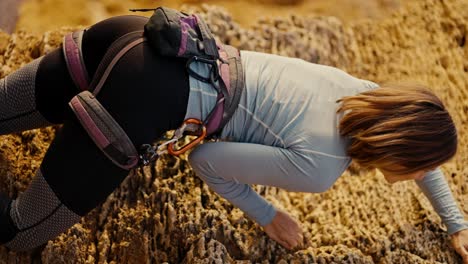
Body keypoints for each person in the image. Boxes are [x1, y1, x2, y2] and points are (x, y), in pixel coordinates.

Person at [0, 14, 466, 261]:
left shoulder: (362, 93)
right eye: (419, 165)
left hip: (147, 37)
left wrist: (457, 222)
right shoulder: (321, 167)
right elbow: (206, 160)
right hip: (141, 97)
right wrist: (268, 215)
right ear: (400, 149)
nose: (420, 176)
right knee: (21, 233)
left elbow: (417, 139)